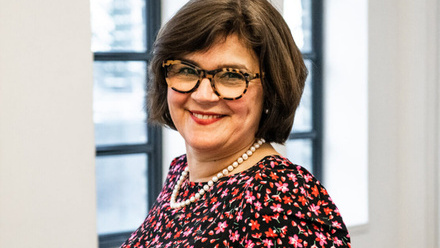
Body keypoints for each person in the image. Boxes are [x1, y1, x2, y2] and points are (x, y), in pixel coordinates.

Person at [121, 0, 351, 247]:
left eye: (231, 76)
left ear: (271, 91)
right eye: (187, 70)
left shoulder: (281, 198)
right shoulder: (182, 174)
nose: (203, 95)